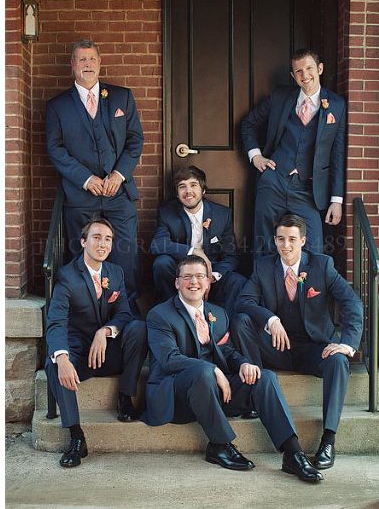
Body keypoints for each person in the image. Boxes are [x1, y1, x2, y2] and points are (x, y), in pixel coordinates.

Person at [142, 255, 323, 482]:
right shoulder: (159, 315)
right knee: (204, 372)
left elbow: (226, 351)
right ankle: (219, 445)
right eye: (186, 277)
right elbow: (169, 359)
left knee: (264, 377)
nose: (193, 282)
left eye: (199, 276)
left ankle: (292, 453)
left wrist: (244, 363)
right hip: (175, 395)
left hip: (212, 393)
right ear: (177, 282)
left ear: (208, 282)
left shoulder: (218, 313)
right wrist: (214, 370)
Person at [233, 213, 362, 471]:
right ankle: (256, 392)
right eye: (281, 239)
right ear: (275, 240)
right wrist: (271, 320)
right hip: (276, 348)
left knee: (338, 361)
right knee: (241, 321)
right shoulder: (264, 266)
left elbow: (352, 303)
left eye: (292, 239)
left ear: (303, 241)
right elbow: (244, 301)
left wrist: (347, 343)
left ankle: (328, 440)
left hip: (314, 348)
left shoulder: (322, 265)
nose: (286, 245)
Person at [46, 39, 144, 308]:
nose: (87, 65)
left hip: (118, 192)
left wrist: (118, 175)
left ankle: (127, 314)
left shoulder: (121, 97)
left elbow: (135, 140)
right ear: (72, 65)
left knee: (125, 254)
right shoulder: (57, 106)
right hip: (80, 195)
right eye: (81, 60)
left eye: (92, 59)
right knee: (81, 254)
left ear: (99, 64)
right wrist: (86, 179)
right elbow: (55, 149)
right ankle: (82, 310)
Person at [45, 217, 148, 468]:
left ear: (112, 246)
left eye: (108, 239)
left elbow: (124, 312)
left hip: (109, 352)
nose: (102, 244)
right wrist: (62, 358)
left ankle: (125, 398)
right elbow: (56, 321)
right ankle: (76, 437)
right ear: (83, 242)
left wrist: (105, 331)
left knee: (139, 328)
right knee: (53, 366)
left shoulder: (115, 272)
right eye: (96, 237)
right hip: (81, 354)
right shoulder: (67, 276)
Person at [241, 48, 346, 258]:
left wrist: (336, 200)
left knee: (314, 247)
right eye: (298, 71)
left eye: (309, 68)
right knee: (264, 245)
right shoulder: (280, 97)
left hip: (308, 189)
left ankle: (307, 291)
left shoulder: (336, 105)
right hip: (274, 182)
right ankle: (263, 290)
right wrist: (256, 156)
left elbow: (337, 153)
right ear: (293, 75)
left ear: (320, 68)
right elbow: (249, 124)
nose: (305, 75)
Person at [150, 165, 247, 316]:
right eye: (182, 187)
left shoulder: (222, 214)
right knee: (161, 263)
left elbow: (231, 255)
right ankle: (174, 315)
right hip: (182, 273)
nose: (188, 191)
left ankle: (222, 324)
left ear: (203, 190)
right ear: (177, 193)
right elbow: (157, 244)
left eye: (193, 185)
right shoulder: (167, 213)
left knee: (237, 280)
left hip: (211, 271)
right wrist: (193, 251)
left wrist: (212, 276)